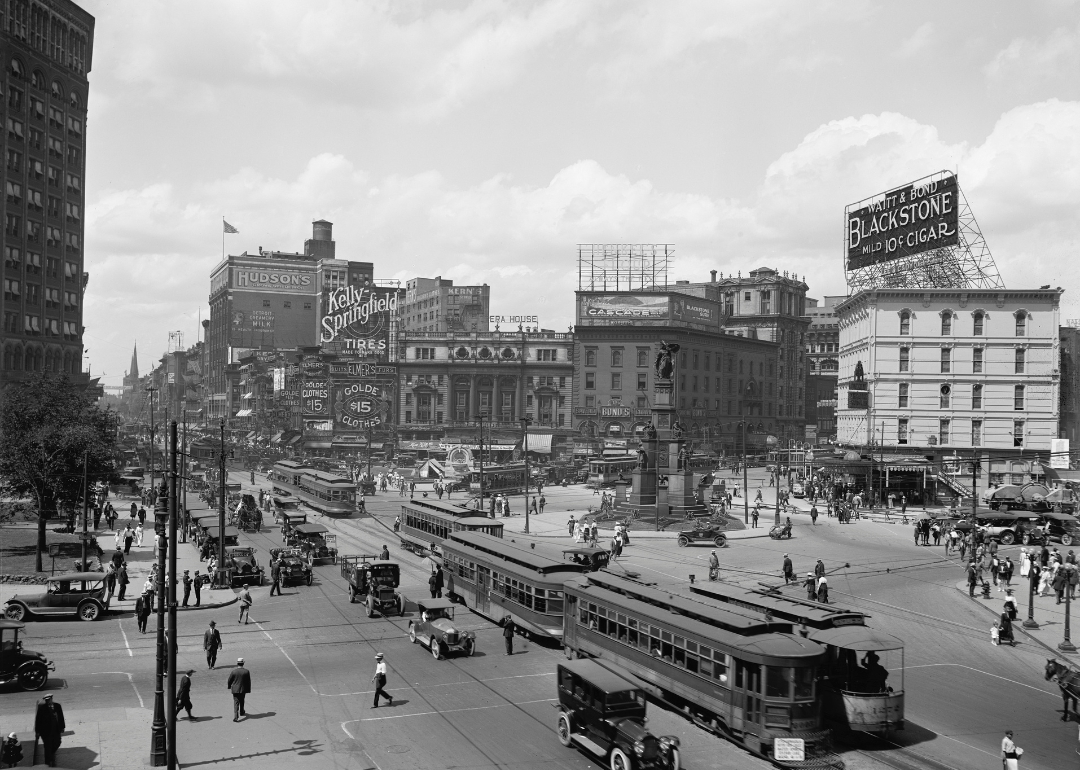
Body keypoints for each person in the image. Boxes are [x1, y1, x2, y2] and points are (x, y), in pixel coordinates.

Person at [34, 693, 65, 767]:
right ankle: (48, 763)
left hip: (56, 730)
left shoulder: (57, 706)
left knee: (57, 742)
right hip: (46, 732)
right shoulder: (42, 708)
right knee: (47, 747)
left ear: (51, 698)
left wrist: (62, 727)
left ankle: (51, 755)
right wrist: (37, 731)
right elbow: (38, 720)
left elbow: (61, 717)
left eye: (49, 699)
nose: (48, 701)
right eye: (46, 700)